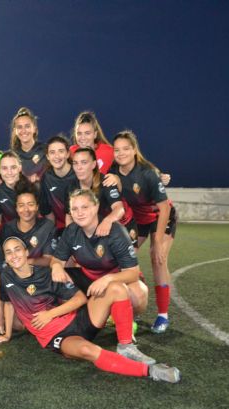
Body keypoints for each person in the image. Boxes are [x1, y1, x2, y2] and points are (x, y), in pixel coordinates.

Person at [0, 237, 180, 383]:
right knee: (88, 350)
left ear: (26, 251)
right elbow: (9, 302)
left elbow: (80, 298)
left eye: (17, 250)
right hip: (59, 337)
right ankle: (152, 371)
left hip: (79, 320)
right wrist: (6, 334)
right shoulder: (5, 277)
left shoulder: (46, 274)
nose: (14, 255)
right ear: (4, 257)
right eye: (9, 252)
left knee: (116, 288)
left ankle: (125, 346)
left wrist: (50, 314)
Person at [108, 130, 177, 334]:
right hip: (139, 220)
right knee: (124, 259)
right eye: (117, 150)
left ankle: (163, 315)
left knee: (158, 259)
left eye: (126, 149)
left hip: (161, 217)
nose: (121, 153)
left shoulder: (147, 172)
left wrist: (157, 242)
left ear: (134, 150)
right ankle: (136, 294)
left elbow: (164, 207)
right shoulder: (113, 171)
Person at [51, 189, 148, 315]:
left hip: (115, 278)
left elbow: (133, 273)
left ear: (96, 207)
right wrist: (56, 266)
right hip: (88, 276)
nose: (79, 213)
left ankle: (123, 318)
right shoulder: (71, 231)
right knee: (56, 280)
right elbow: (57, 259)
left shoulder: (116, 231)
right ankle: (87, 315)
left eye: (84, 207)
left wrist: (107, 279)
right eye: (74, 209)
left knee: (138, 293)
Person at [67, 147, 138, 246]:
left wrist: (107, 221)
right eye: (75, 163)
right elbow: (69, 215)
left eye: (84, 162)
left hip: (122, 225)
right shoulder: (71, 185)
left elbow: (119, 209)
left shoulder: (106, 182)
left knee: (118, 260)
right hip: (97, 228)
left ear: (93, 164)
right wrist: (71, 236)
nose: (79, 167)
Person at [0, 185, 56, 267]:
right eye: (21, 205)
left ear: (37, 207)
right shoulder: (7, 229)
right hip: (14, 276)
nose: (26, 209)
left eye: (30, 204)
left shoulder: (47, 226)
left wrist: (23, 262)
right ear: (16, 208)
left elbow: (48, 260)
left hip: (40, 276)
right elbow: (4, 260)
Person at [39, 135, 78, 233]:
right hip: (60, 227)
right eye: (52, 152)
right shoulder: (46, 178)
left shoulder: (79, 174)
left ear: (68, 154)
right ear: (47, 156)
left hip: (81, 225)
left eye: (61, 151)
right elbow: (48, 212)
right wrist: (51, 233)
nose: (57, 156)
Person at [0, 151, 30, 230]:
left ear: (20, 168)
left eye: (13, 167)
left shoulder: (31, 187)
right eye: (4, 168)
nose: (9, 172)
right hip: (11, 232)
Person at [9, 107, 46, 183]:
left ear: (35, 129)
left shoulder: (46, 150)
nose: (23, 131)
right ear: (15, 131)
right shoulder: (12, 155)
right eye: (19, 127)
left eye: (27, 126)